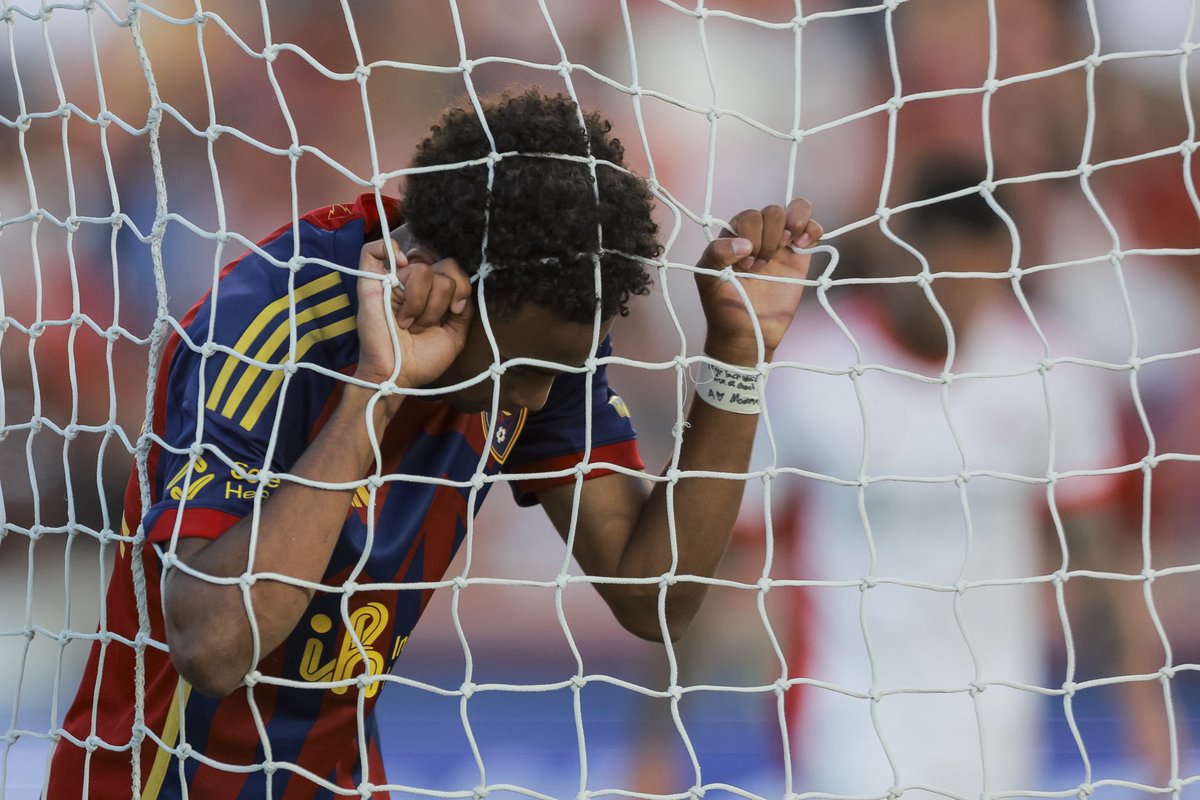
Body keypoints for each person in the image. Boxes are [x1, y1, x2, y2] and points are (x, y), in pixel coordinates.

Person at [45, 88, 822, 799]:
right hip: (151, 782)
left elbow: (655, 597)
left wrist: (737, 359)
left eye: (564, 369)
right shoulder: (270, 326)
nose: (541, 400)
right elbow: (212, 646)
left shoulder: (543, 327)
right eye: (526, 373)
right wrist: (372, 400)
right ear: (452, 288)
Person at [754, 165, 1124, 799]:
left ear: (1001, 262)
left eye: (975, 271)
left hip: (997, 725)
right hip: (843, 724)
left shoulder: (1052, 371)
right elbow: (713, 559)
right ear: (903, 249)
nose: (955, 290)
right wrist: (656, 741)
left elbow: (1101, 563)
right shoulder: (804, 371)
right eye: (941, 266)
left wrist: (1145, 712)